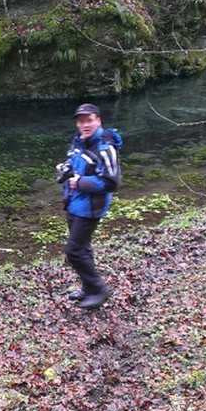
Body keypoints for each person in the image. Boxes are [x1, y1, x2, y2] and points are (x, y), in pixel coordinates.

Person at [58, 103, 122, 310]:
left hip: (90, 208)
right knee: (83, 248)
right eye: (81, 121)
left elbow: (112, 183)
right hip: (73, 203)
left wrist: (81, 182)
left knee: (73, 251)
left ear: (98, 120)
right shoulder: (78, 142)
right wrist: (65, 170)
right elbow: (73, 163)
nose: (85, 124)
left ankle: (99, 289)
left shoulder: (105, 148)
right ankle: (88, 288)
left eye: (89, 120)